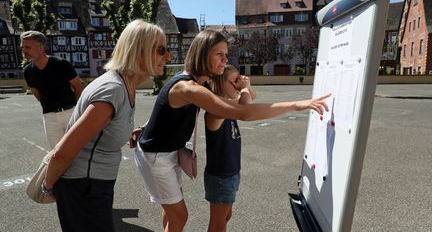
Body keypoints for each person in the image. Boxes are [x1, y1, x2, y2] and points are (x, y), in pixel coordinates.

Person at [132, 29, 330, 232]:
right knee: (180, 216)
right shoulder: (189, 88)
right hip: (156, 155)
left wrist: (144, 127)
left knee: (172, 211)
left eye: (226, 54)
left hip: (169, 152)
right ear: (202, 53)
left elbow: (164, 107)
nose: (225, 60)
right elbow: (244, 112)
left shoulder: (198, 84)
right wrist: (298, 105)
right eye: (219, 54)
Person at [43, 19, 171, 232]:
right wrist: (47, 186)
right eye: (161, 50)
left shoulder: (125, 84)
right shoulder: (112, 90)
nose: (168, 56)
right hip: (83, 185)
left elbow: (104, 129)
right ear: (138, 51)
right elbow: (62, 153)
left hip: (95, 183)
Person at [204, 65, 255, 232]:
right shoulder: (215, 109)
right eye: (234, 81)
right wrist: (245, 88)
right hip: (221, 175)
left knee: (225, 217)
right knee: (218, 224)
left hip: (231, 172)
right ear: (220, 83)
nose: (237, 84)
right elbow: (246, 107)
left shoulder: (229, 104)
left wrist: (247, 87)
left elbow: (250, 98)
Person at [21, 31, 84, 148]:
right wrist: (51, 108)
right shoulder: (28, 71)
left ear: (40, 48)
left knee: (78, 150)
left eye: (27, 47)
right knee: (57, 153)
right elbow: (38, 95)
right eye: (22, 48)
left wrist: (75, 110)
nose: (24, 51)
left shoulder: (61, 64)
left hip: (71, 113)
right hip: (50, 118)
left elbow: (78, 87)